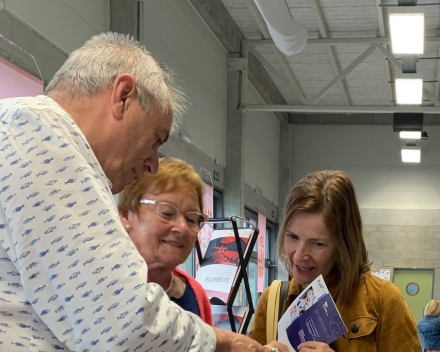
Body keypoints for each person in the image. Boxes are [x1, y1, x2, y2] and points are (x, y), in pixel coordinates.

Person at [0, 31, 270, 352]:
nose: (152, 164)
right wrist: (223, 341)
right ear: (123, 95)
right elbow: (121, 324)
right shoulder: (43, 134)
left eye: (192, 218)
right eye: (156, 139)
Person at [248, 170, 421, 352]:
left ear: (343, 245)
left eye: (318, 244)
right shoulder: (273, 300)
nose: (299, 255)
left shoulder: (383, 301)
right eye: (293, 237)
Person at [117, 157, 212, 323]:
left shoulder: (194, 294)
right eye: (167, 213)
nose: (182, 228)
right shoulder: (106, 286)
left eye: (191, 219)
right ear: (126, 215)